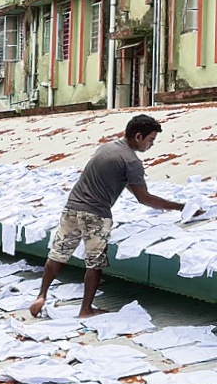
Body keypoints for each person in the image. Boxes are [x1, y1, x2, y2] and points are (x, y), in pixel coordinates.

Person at [29, 114, 190, 318]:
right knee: (95, 263)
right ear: (138, 136)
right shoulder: (132, 161)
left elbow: (128, 185)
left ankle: (41, 295)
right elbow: (144, 198)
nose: (151, 145)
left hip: (71, 208)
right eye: (150, 140)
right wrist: (180, 206)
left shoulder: (106, 148)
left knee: (58, 253)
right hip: (96, 214)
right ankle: (86, 309)